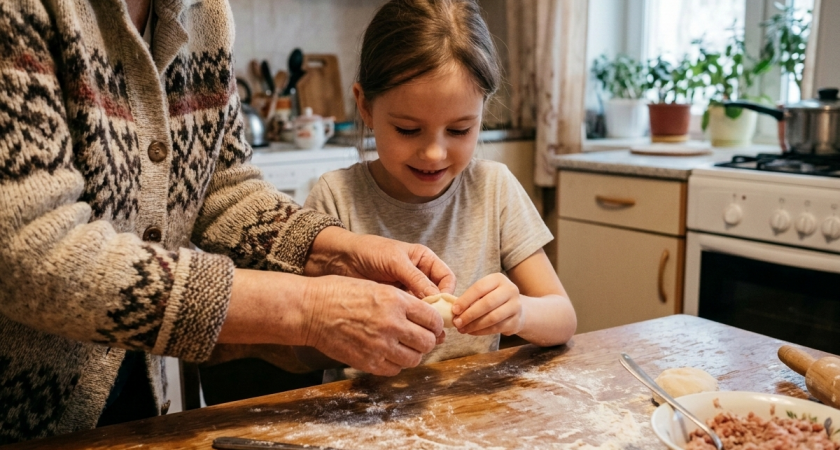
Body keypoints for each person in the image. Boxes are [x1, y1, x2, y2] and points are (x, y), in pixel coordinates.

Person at [0, 0, 454, 443]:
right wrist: (310, 310)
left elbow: (222, 184)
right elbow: (28, 249)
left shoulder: (204, 14)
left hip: (128, 391)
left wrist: (340, 249)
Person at [304, 0, 577, 382]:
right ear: (365, 105)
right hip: (365, 416)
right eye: (408, 130)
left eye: (460, 130)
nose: (434, 153)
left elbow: (563, 318)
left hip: (471, 410)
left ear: (483, 111)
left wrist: (520, 313)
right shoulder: (336, 196)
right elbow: (304, 340)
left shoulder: (493, 188)